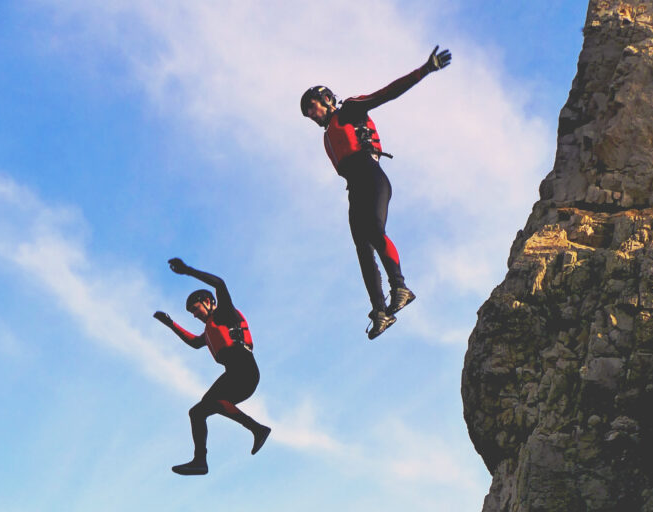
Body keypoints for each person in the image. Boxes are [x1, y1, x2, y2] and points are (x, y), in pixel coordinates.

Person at [300, 46, 451, 339]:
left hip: (371, 177)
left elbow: (386, 93)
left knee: (372, 229)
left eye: (312, 107)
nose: (311, 115)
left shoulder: (348, 110)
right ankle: (381, 311)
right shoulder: (327, 133)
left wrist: (425, 69)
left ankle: (400, 287)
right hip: (355, 186)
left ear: (326, 99)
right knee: (361, 246)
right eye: (308, 113)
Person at [153, 258, 271, 475]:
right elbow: (195, 343)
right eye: (192, 314)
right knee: (197, 412)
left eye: (196, 309)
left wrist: (187, 270)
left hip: (244, 368)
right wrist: (171, 324)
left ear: (208, 301)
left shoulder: (225, 313)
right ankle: (201, 461)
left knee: (211, 402)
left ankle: (257, 429)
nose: (195, 315)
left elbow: (220, 284)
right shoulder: (209, 330)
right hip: (234, 372)